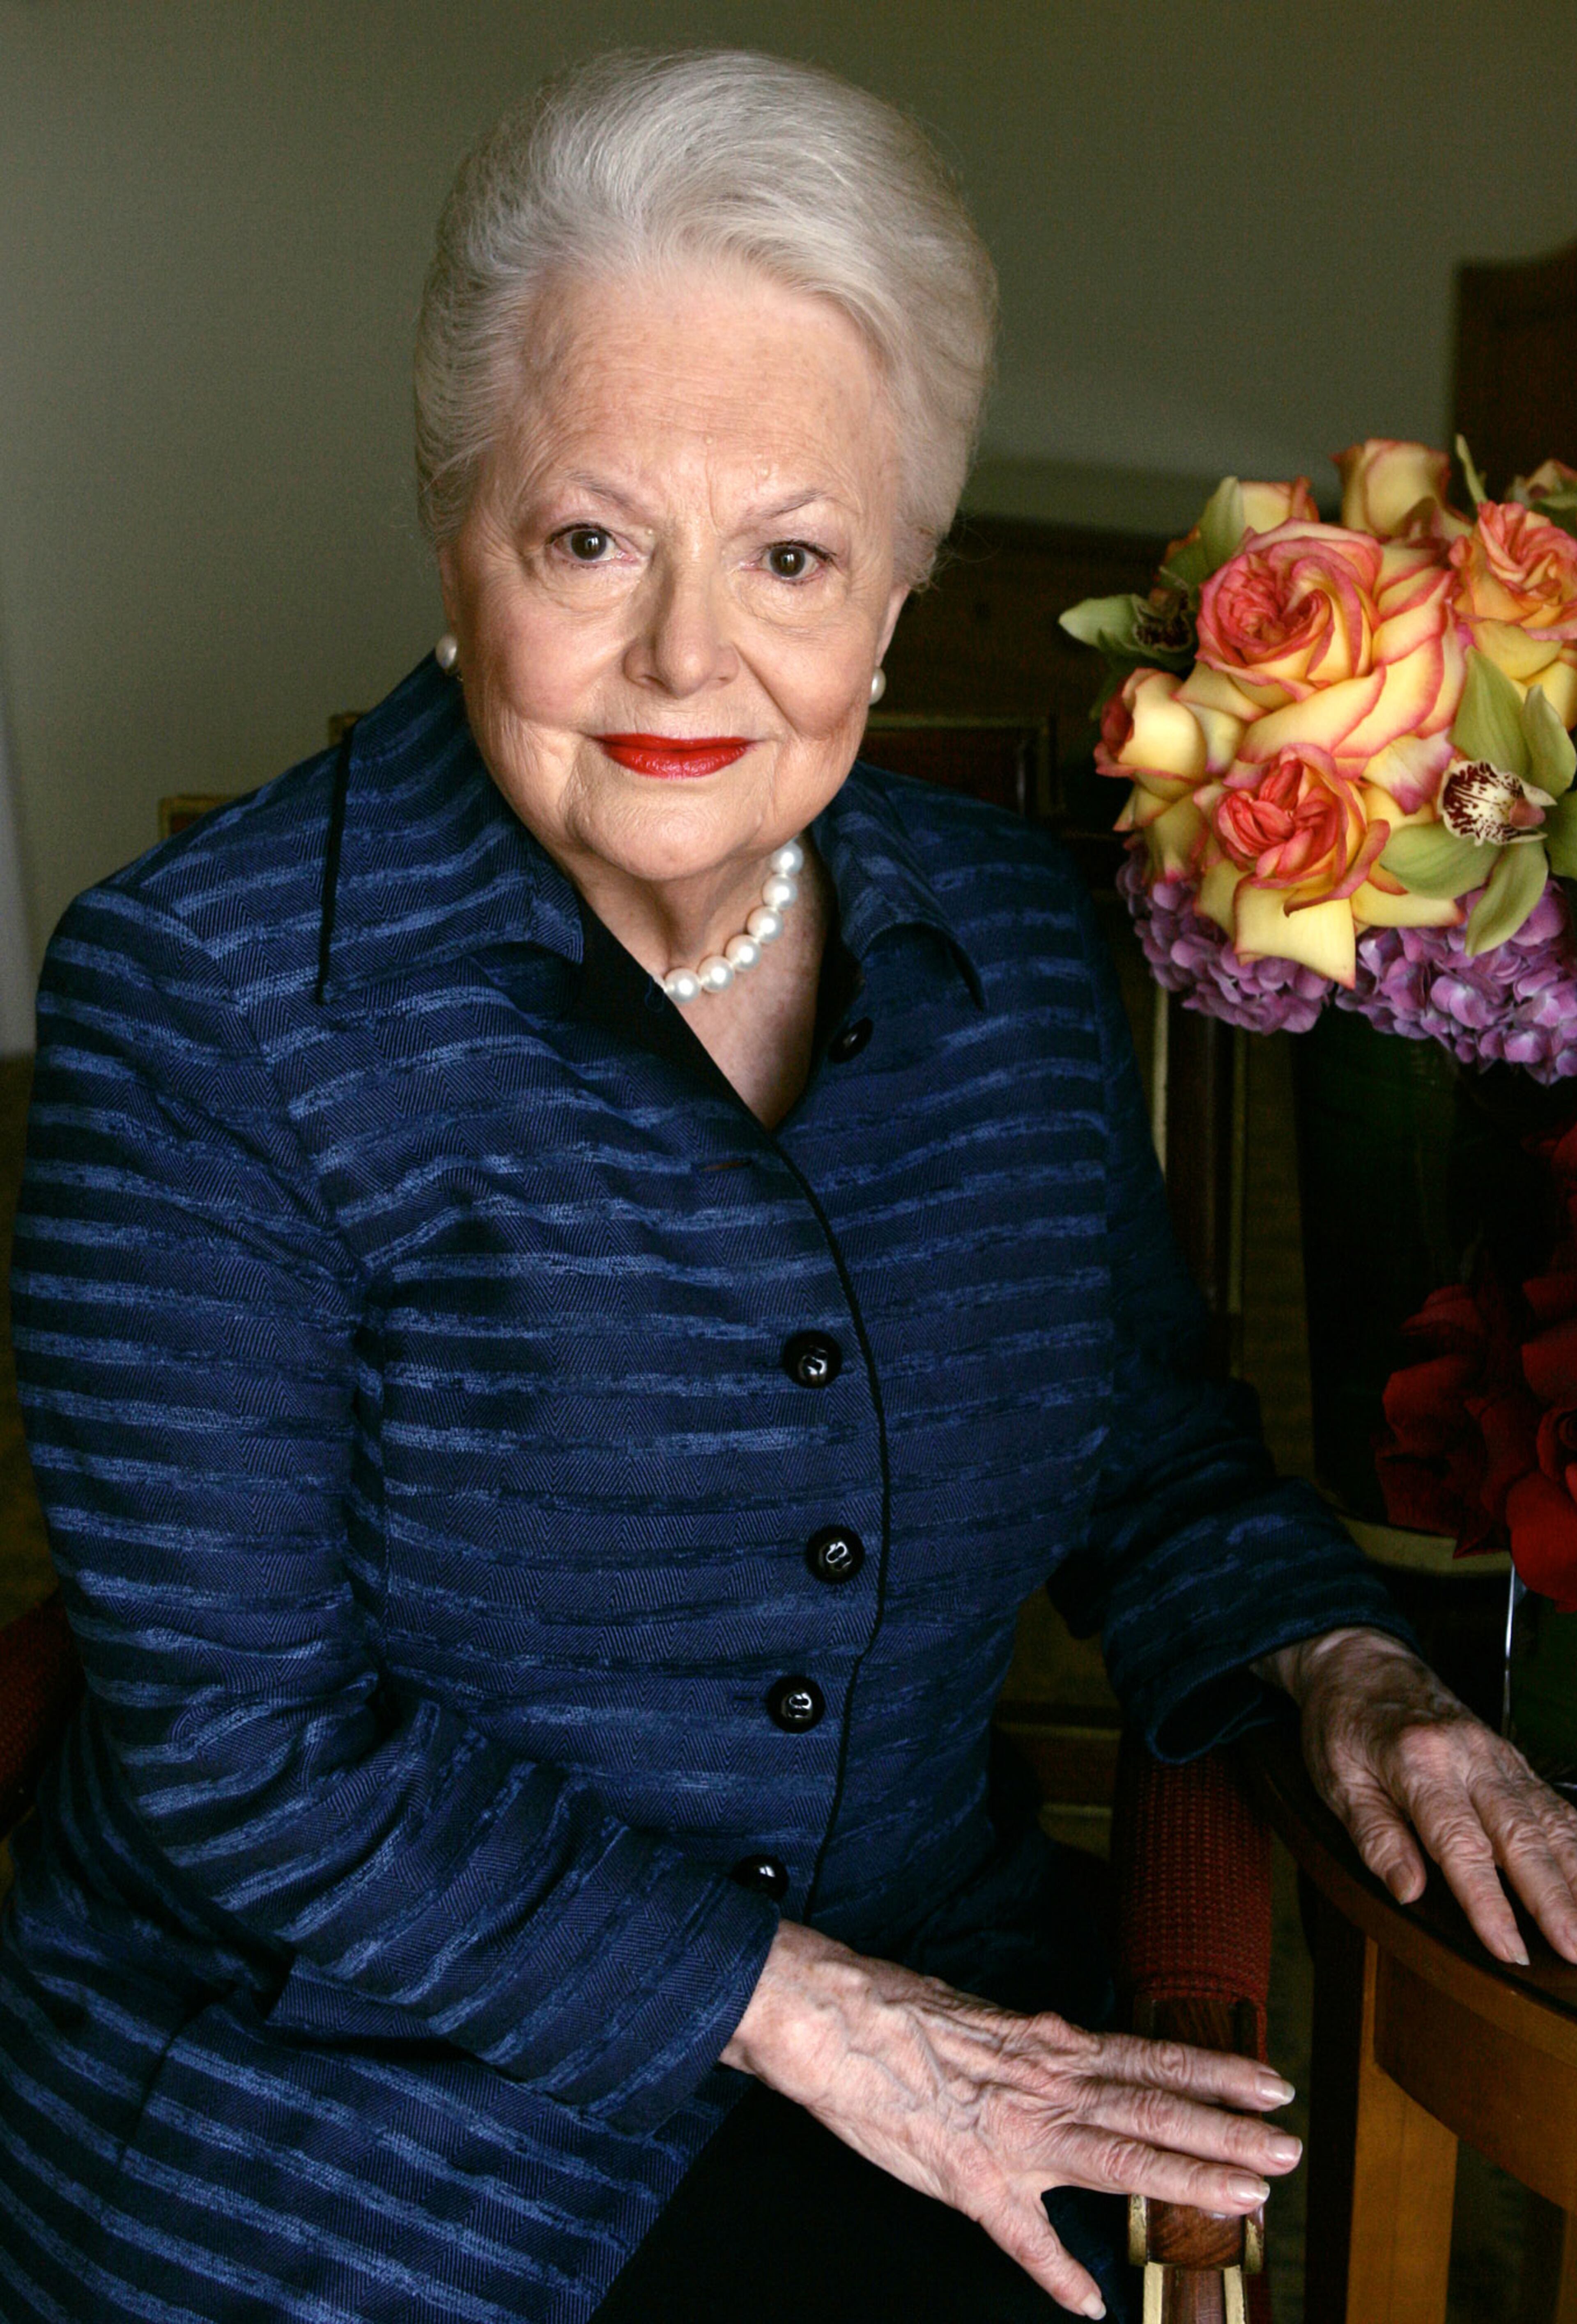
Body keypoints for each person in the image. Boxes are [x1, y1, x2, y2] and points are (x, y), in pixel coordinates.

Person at [2, 48, 1575, 2324]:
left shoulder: (1013, 931)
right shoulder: (210, 999)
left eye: (794, 553)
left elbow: (1136, 1437)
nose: (685, 657)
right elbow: (249, 1754)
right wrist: (844, 2033)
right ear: (454, 533)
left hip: (925, 2037)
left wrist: (1342, 1668)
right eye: (589, 538)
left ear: (902, 577)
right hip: (345, 2130)